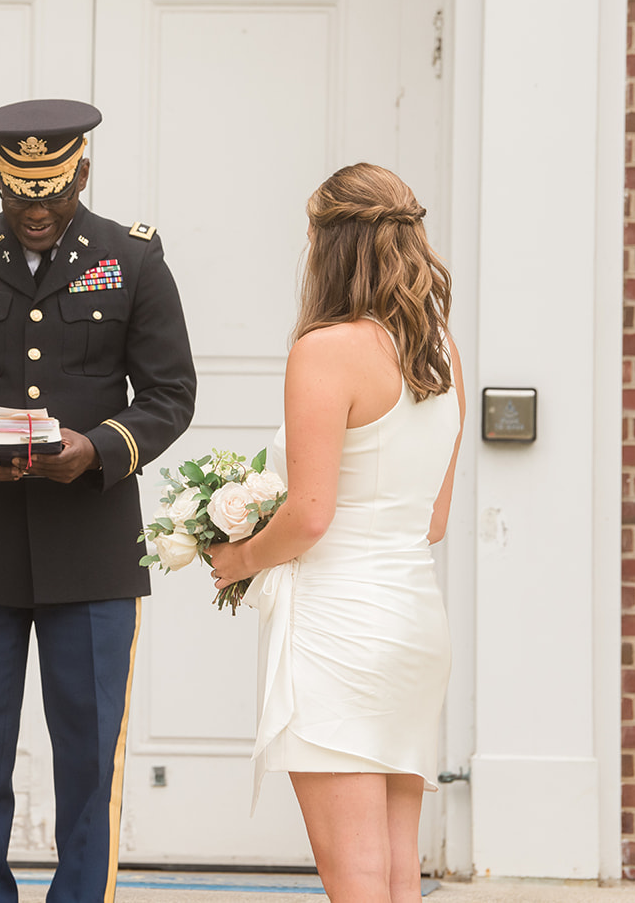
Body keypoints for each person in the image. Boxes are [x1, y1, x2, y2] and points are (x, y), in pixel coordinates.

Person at [0, 99, 196, 903]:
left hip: (91, 550)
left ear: (82, 174)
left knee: (91, 768)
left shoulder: (133, 260)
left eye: (52, 194)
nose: (37, 213)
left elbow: (169, 395)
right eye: (21, 197)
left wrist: (98, 450)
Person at [207, 163, 463, 903]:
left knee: (352, 882)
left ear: (330, 243)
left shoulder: (325, 350)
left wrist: (239, 558)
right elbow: (434, 521)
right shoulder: (440, 348)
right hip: (413, 622)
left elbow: (312, 517)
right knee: (393, 875)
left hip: (341, 629)